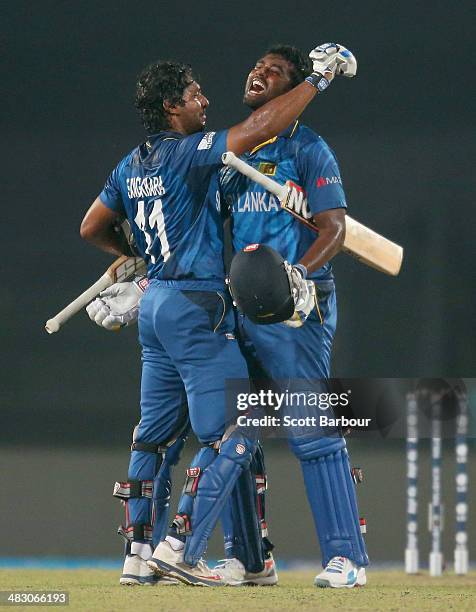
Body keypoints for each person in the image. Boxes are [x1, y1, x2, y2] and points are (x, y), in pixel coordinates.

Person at [80, 45, 354, 587]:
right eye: (192, 95)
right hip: (202, 305)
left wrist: (134, 258)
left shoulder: (131, 162)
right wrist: (320, 80)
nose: (204, 100)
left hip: (173, 304)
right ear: (169, 108)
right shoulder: (196, 153)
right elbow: (256, 128)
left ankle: (142, 556)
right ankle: (184, 546)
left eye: (274, 70)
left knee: (155, 436)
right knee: (234, 426)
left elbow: (92, 227)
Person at [217, 44, 369, 589]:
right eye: (256, 66)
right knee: (236, 429)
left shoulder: (310, 150)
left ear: (294, 88)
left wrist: (299, 276)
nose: (258, 72)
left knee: (311, 430)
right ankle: (249, 559)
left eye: (274, 71)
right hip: (242, 304)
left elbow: (335, 229)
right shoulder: (235, 151)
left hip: (298, 305)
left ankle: (347, 558)